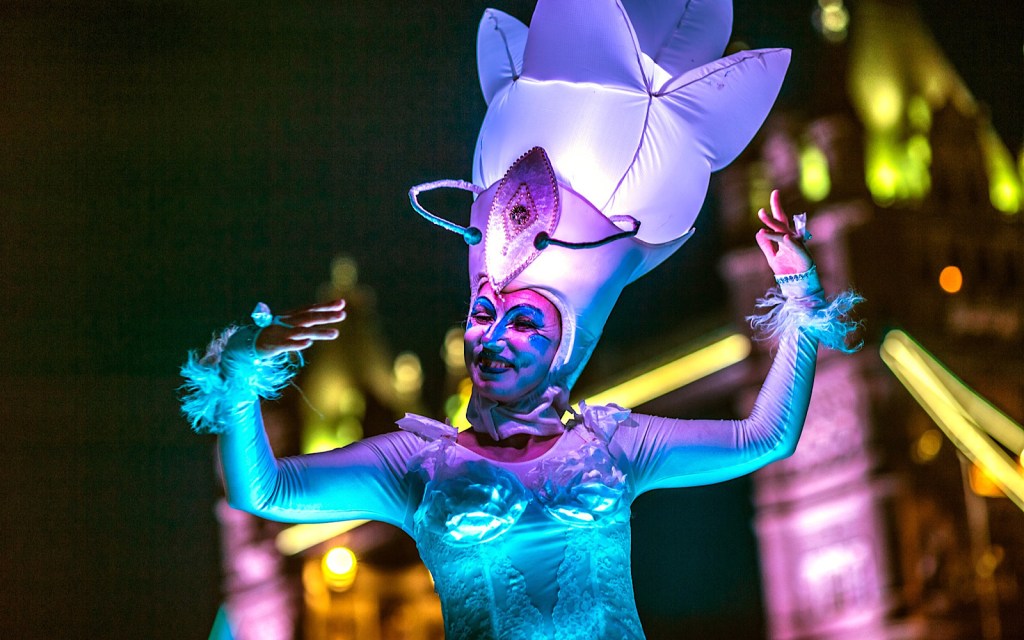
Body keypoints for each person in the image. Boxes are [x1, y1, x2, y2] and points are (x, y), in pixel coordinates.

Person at [181, 2, 862, 638]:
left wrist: (800, 295)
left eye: (524, 324)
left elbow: (764, 438)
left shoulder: (616, 448)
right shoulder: (415, 466)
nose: (492, 334)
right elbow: (262, 490)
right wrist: (240, 380)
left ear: (566, 347)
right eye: (484, 312)